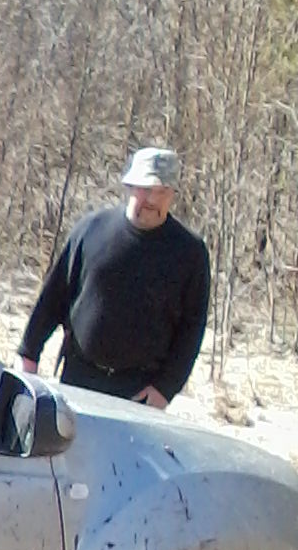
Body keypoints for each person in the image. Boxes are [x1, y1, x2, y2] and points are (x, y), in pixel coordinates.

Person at [16, 146, 210, 408]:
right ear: (129, 187)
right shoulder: (91, 230)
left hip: (140, 393)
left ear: (173, 195)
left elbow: (192, 329)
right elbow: (54, 298)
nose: (152, 200)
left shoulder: (189, 252)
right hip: (78, 379)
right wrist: (29, 354)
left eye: (162, 191)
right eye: (145, 189)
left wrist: (166, 388)